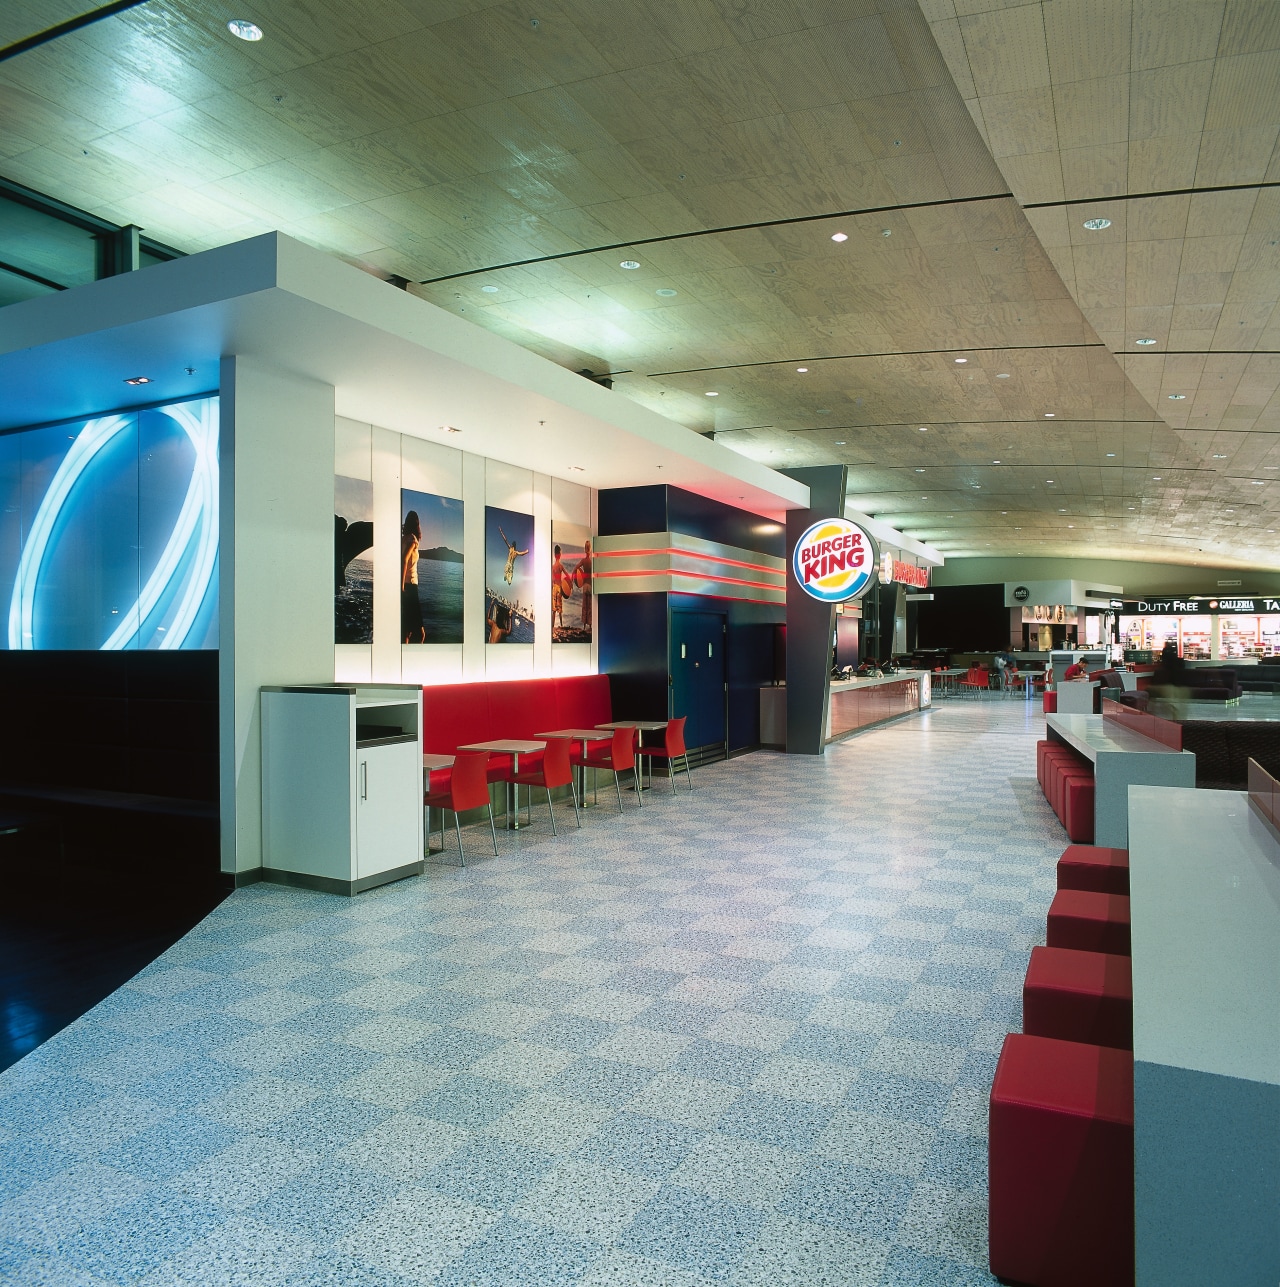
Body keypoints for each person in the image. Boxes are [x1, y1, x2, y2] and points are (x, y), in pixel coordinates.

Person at [400, 510, 424, 643]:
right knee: (421, 634)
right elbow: (404, 560)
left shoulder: (403, 539)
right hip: (410, 587)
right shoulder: (413, 540)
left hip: (406, 585)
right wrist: (402, 586)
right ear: (417, 524)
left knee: (406, 630)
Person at [575, 539, 592, 632]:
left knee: (585, 606)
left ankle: (584, 626)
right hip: (591, 585)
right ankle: (590, 626)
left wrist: (575, 578)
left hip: (585, 585)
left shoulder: (583, 561)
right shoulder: (592, 561)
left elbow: (576, 568)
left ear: (584, 549)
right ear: (590, 549)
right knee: (590, 606)